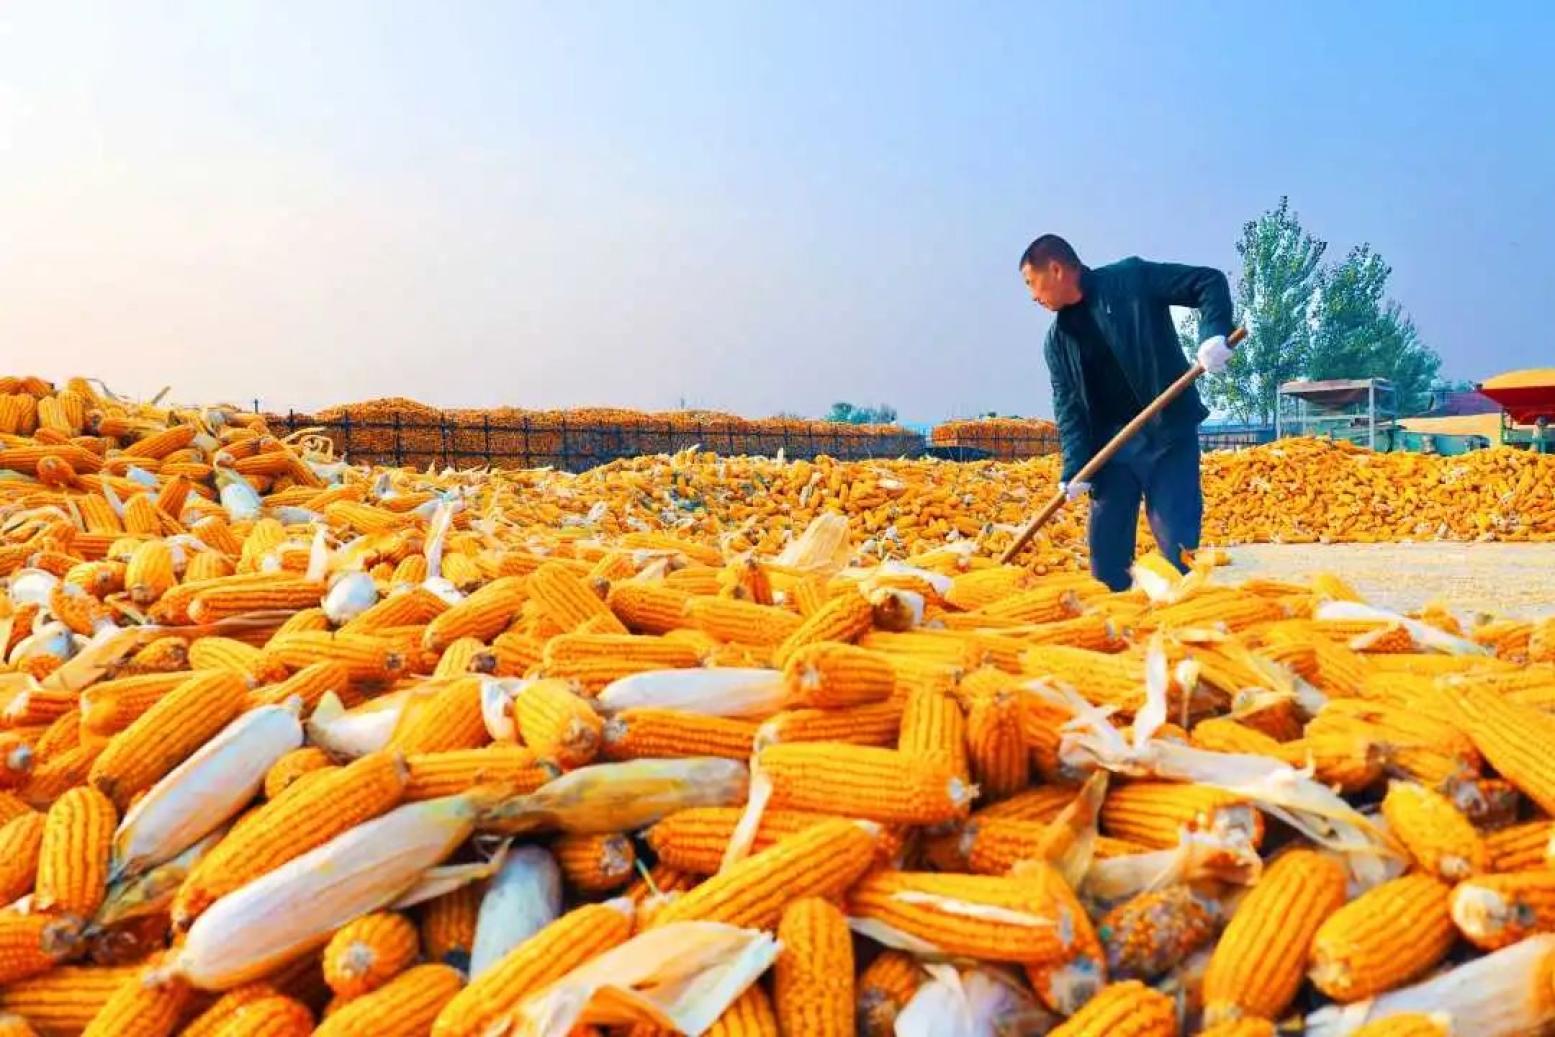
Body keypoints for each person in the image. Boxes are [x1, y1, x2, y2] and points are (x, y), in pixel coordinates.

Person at [1019, 234, 1233, 591]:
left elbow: (1207, 282)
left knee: (1177, 551)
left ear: (1055, 269)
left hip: (1167, 437)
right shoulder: (1057, 342)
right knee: (1106, 561)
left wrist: (1214, 334)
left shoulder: (1131, 281)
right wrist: (1074, 467)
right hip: (1111, 450)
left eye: (1030, 282)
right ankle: (1116, 618)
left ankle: (1178, 615)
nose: (1032, 296)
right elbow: (1069, 408)